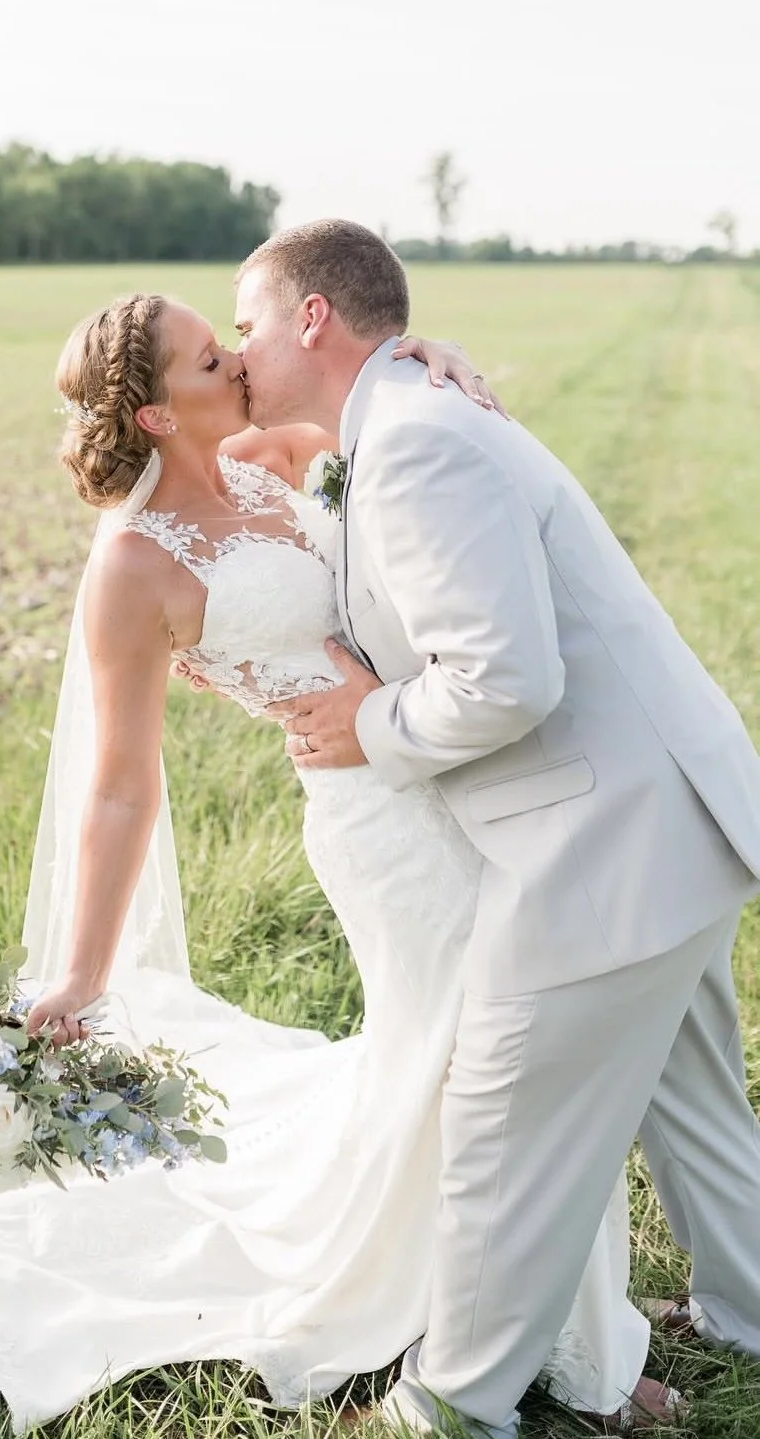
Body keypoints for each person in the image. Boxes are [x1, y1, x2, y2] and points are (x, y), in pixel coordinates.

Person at [0, 302, 658, 1434]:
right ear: (154, 410)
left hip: (461, 776)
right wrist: (84, 973)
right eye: (208, 356)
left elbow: (400, 465)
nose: (239, 358)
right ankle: (582, 1358)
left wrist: (434, 360)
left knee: (499, 1051)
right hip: (378, 823)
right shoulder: (132, 570)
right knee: (496, 1055)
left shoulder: (265, 460)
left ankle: (523, 1315)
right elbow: (118, 781)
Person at [232, 219, 760, 1437]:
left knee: (497, 1116)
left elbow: (507, 679)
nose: (240, 346)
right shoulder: (405, 416)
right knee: (687, 1096)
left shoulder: (415, 441)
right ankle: (746, 1304)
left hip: (610, 838)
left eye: (249, 321)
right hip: (670, 815)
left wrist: (372, 726)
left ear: (314, 316)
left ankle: (452, 1402)